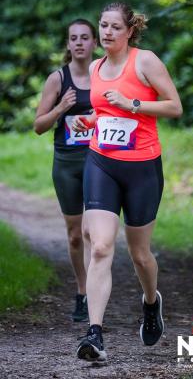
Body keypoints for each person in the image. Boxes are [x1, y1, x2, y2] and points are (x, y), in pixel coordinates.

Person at [74, 2, 182, 362]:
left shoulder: (145, 61)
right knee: (101, 246)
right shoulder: (95, 66)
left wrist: (134, 103)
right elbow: (104, 111)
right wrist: (90, 122)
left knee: (139, 255)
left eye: (114, 27)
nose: (106, 33)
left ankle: (151, 302)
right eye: (103, 26)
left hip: (142, 168)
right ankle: (95, 336)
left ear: (129, 30)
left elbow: (174, 106)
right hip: (101, 162)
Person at [34, 19, 97, 322]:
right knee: (75, 235)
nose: (80, 43)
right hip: (67, 164)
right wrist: (60, 108)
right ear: (68, 44)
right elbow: (38, 126)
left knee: (94, 233)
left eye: (85, 37)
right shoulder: (58, 79)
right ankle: (82, 292)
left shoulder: (105, 75)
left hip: (100, 162)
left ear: (94, 43)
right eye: (74, 38)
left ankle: (97, 297)